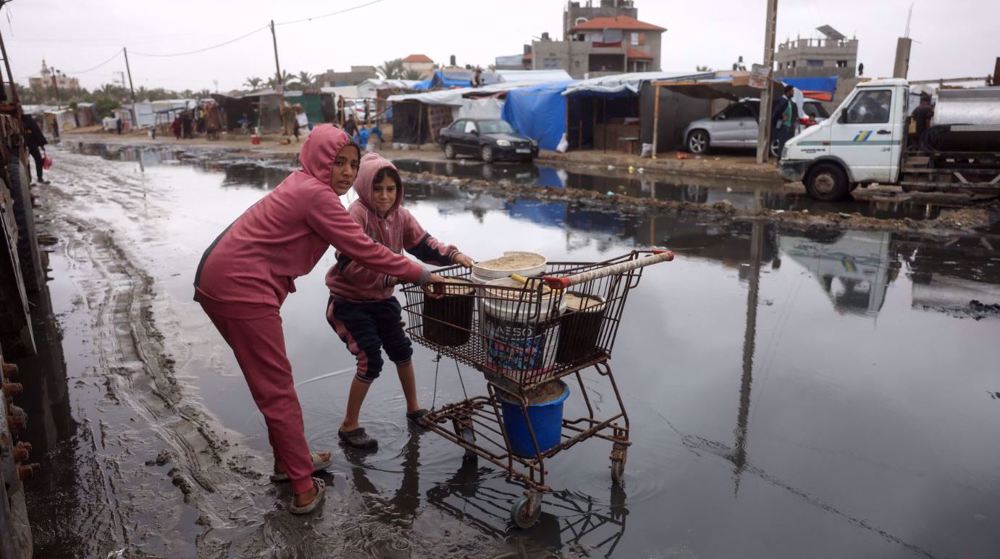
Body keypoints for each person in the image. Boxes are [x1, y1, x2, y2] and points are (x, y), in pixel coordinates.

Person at [193, 125, 446, 514]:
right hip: (240, 286)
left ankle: (290, 462)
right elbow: (365, 250)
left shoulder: (303, 185)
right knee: (277, 388)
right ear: (318, 159)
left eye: (352, 164)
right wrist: (422, 274)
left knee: (270, 384)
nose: (345, 172)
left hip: (224, 279)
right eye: (337, 162)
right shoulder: (316, 195)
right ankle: (303, 488)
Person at [325, 153, 474, 450]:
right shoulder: (355, 215)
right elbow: (350, 267)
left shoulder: (401, 215)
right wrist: (395, 278)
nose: (384, 196)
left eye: (390, 189)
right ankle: (349, 425)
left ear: (398, 191)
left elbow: (423, 243)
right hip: (349, 301)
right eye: (377, 189)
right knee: (370, 359)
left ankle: (414, 408)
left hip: (382, 300)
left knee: (402, 351)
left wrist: (454, 255)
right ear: (365, 188)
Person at [771, 85, 798, 162]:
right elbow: (775, 113)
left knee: (788, 144)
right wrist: (781, 117)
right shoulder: (782, 101)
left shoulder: (789, 102)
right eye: (792, 91)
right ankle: (779, 161)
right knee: (782, 144)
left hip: (789, 126)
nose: (793, 93)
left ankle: (786, 160)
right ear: (788, 92)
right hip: (783, 126)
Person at [21, 113, 48, 184]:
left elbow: (36, 132)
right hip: (29, 145)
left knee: (28, 162)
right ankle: (37, 178)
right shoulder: (29, 120)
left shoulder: (24, 120)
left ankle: (31, 180)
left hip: (27, 145)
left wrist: (41, 144)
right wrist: (42, 144)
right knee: (35, 160)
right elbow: (37, 132)